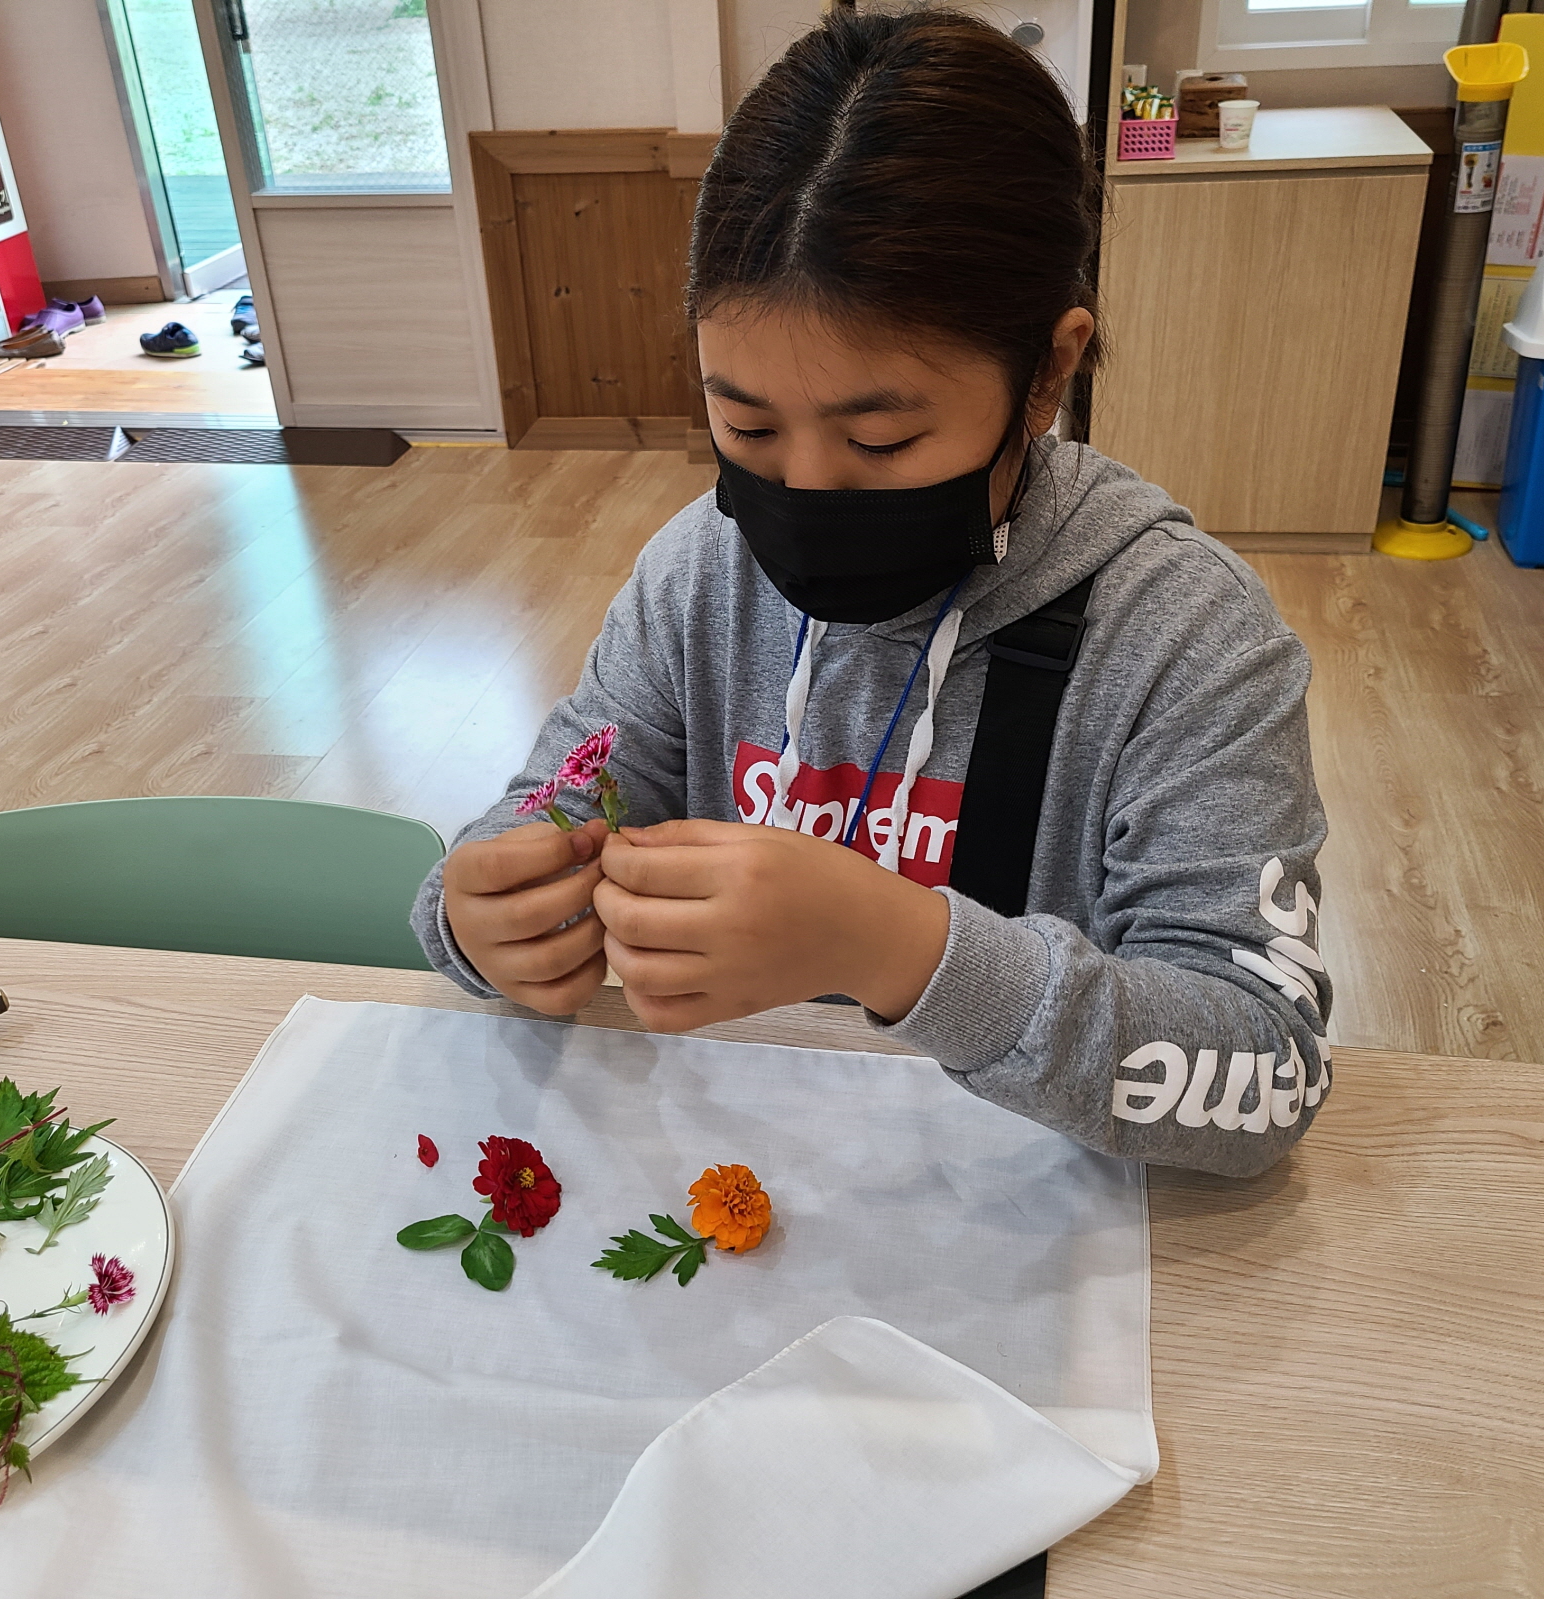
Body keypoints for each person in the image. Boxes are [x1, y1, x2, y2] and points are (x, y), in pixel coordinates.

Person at [413, 7, 1331, 1177]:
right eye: (745, 425)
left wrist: (900, 948)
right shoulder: (699, 575)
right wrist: (482, 914)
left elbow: (1265, 1072)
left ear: (1046, 371)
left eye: (881, 440)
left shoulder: (1184, 638)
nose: (802, 488)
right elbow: (561, 799)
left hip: (1038, 1218)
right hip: (736, 1182)